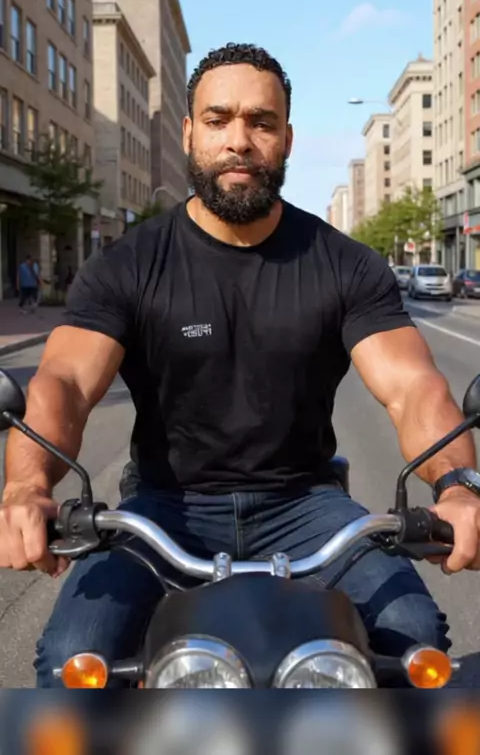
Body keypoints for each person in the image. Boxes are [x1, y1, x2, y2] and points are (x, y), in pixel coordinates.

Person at [1, 43, 479, 689]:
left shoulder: (345, 264)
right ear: (189, 133)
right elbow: (64, 384)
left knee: (414, 639)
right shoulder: (127, 265)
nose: (239, 140)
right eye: (218, 119)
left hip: (306, 503)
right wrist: (26, 486)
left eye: (261, 122)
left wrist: (458, 486)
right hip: (164, 507)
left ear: (287, 139)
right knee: (72, 659)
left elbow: (412, 388)